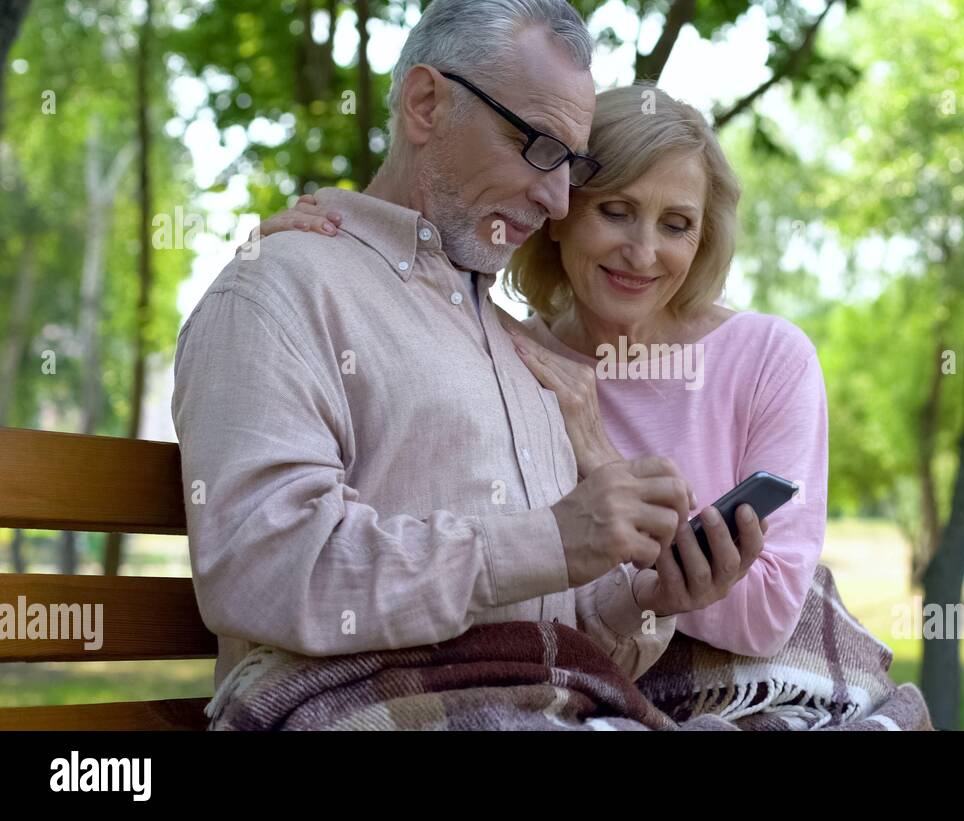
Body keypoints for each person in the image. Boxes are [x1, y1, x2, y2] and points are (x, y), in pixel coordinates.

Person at [172, 0, 762, 691]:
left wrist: (645, 597)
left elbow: (547, 624)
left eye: (571, 164)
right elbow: (263, 571)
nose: (560, 200)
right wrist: (552, 539)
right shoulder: (283, 286)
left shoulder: (512, 340)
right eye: (539, 147)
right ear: (426, 104)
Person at [260, 83, 829, 658]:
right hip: (573, 675)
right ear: (559, 211)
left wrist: (604, 460)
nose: (642, 252)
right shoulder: (506, 349)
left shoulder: (769, 359)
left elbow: (769, 616)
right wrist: (325, 245)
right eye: (616, 211)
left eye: (676, 224)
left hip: (720, 684)